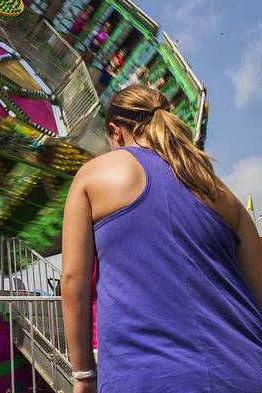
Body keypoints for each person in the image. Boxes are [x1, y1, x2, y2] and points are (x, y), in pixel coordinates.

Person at [61, 85, 262, 392]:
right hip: (246, 370)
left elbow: (74, 281)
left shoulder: (92, 176)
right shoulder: (220, 192)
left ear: (116, 132)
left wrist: (84, 376)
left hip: (149, 378)